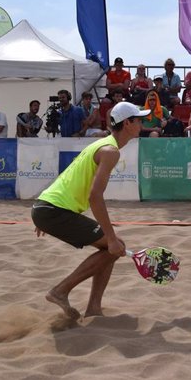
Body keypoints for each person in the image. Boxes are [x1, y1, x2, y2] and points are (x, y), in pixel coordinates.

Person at [31, 101, 151, 319]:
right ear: (127, 124)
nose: (142, 123)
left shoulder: (103, 144)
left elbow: (69, 176)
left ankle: (94, 308)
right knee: (115, 245)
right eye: (139, 119)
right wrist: (112, 237)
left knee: (111, 248)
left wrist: (42, 212)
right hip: (53, 210)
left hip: (48, 207)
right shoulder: (110, 150)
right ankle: (61, 291)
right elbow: (95, 196)